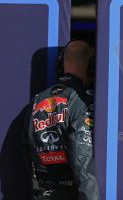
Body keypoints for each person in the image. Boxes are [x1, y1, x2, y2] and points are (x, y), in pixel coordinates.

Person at [22, 39, 100, 200]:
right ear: (92, 67)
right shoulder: (83, 100)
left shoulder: (36, 101)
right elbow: (82, 159)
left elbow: (25, 149)